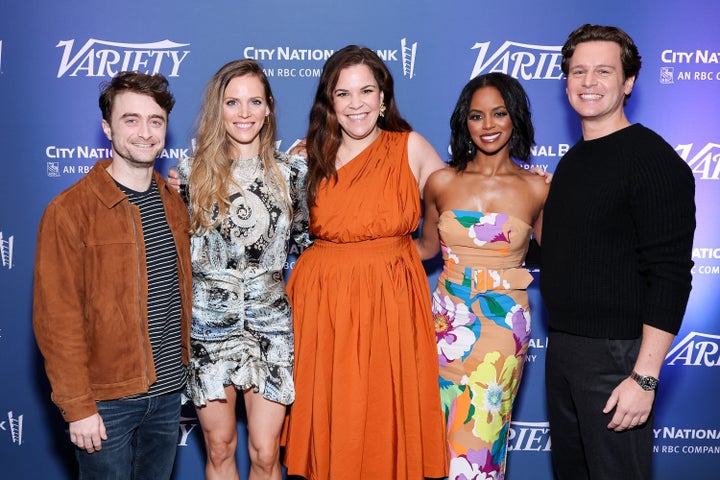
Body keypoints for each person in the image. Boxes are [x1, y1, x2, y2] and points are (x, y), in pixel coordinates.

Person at [281, 45, 448, 480]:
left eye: (366, 91)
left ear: (383, 98)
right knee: (331, 415)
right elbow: (249, 206)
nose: (356, 104)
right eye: (343, 93)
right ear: (329, 101)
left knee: (382, 414)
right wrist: (183, 183)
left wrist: (529, 185)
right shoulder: (305, 155)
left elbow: (462, 201)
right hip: (322, 303)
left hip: (390, 299)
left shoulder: (410, 148)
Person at [540, 24, 696, 480]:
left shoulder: (653, 161)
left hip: (618, 357)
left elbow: (669, 275)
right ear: (566, 82)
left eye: (604, 71)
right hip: (565, 349)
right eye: (578, 71)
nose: (589, 82)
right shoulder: (572, 161)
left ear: (628, 83)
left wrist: (644, 378)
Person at [33, 71, 191, 479]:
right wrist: (78, 407)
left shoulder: (174, 203)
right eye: (131, 120)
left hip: (169, 394)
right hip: (106, 402)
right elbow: (57, 320)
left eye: (155, 121)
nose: (145, 132)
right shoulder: (70, 211)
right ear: (107, 127)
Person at [176, 59, 310, 480]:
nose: (245, 112)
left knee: (266, 453)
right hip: (208, 327)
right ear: (219, 109)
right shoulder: (188, 176)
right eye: (233, 102)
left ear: (269, 107)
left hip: (270, 325)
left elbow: (308, 245)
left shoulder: (294, 175)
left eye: (255, 101)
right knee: (219, 449)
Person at [415, 72, 549, 479]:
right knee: (433, 436)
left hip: (502, 328)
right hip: (445, 324)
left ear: (515, 118)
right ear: (464, 122)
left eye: (498, 113)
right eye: (477, 116)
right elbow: (424, 248)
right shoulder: (441, 182)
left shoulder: (538, 188)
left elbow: (562, 259)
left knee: (484, 435)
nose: (488, 125)